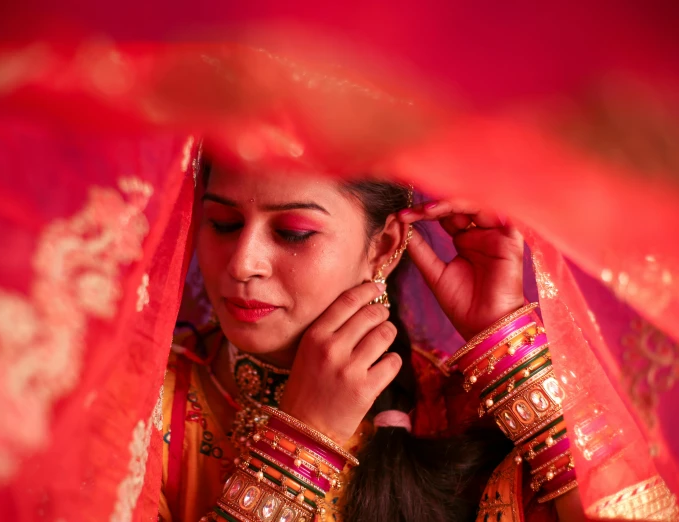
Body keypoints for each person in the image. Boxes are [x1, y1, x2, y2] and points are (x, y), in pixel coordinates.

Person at [158, 158, 588, 522]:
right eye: (224, 223)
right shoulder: (141, 404)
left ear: (382, 246)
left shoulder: (450, 408)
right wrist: (302, 439)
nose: (242, 264)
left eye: (293, 232)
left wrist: (513, 347)